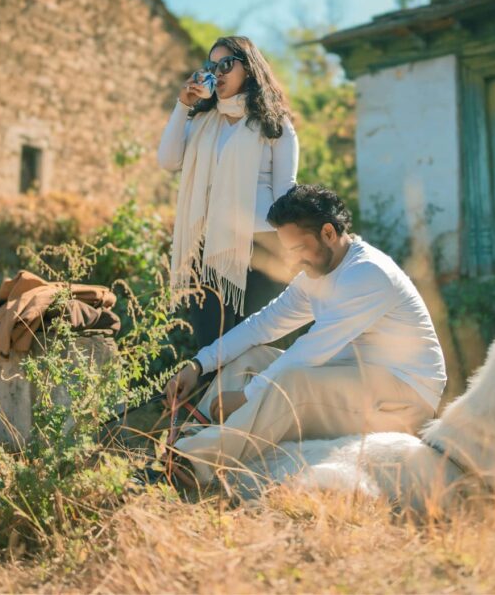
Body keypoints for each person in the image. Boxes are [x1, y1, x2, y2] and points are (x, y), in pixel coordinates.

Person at [163, 184, 447, 487]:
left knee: (293, 382)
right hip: (357, 382)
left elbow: (310, 352)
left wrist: (245, 397)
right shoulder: (319, 272)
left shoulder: (367, 274)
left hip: (402, 400)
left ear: (328, 233)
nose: (293, 260)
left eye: (299, 249)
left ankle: (193, 463)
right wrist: (198, 364)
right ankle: (192, 436)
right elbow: (264, 324)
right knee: (253, 358)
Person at [157, 36, 299, 349]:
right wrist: (183, 105)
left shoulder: (274, 124)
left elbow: (285, 196)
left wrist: (291, 254)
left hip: (261, 249)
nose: (217, 73)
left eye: (225, 64)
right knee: (212, 349)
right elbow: (168, 160)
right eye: (211, 66)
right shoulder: (203, 123)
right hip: (209, 251)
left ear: (248, 68)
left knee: (260, 349)